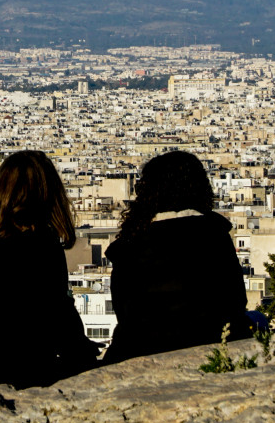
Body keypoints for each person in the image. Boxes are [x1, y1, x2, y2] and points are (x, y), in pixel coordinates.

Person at [0, 150, 98, 397]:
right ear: (46, 192)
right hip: (25, 371)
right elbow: (56, 307)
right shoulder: (40, 240)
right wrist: (82, 354)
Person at [102, 150, 252, 364]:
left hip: (143, 349)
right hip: (211, 345)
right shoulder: (214, 234)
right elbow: (235, 301)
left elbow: (125, 313)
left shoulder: (130, 247)